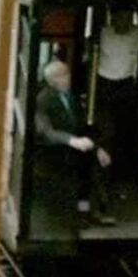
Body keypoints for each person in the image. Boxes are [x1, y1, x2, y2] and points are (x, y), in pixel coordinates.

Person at [34, 60, 114, 225]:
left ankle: (87, 211)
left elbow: (82, 127)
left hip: (76, 148)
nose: (68, 78)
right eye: (63, 75)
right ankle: (72, 217)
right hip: (53, 151)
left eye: (67, 73)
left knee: (95, 166)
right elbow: (46, 131)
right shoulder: (43, 99)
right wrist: (71, 140)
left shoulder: (71, 96)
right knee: (72, 174)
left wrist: (98, 148)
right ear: (52, 80)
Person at [94, 6, 138, 184]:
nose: (125, 22)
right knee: (105, 129)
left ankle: (120, 175)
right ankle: (102, 173)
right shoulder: (103, 33)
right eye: (120, 17)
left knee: (125, 130)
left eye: (129, 18)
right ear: (112, 18)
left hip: (126, 86)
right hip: (103, 84)